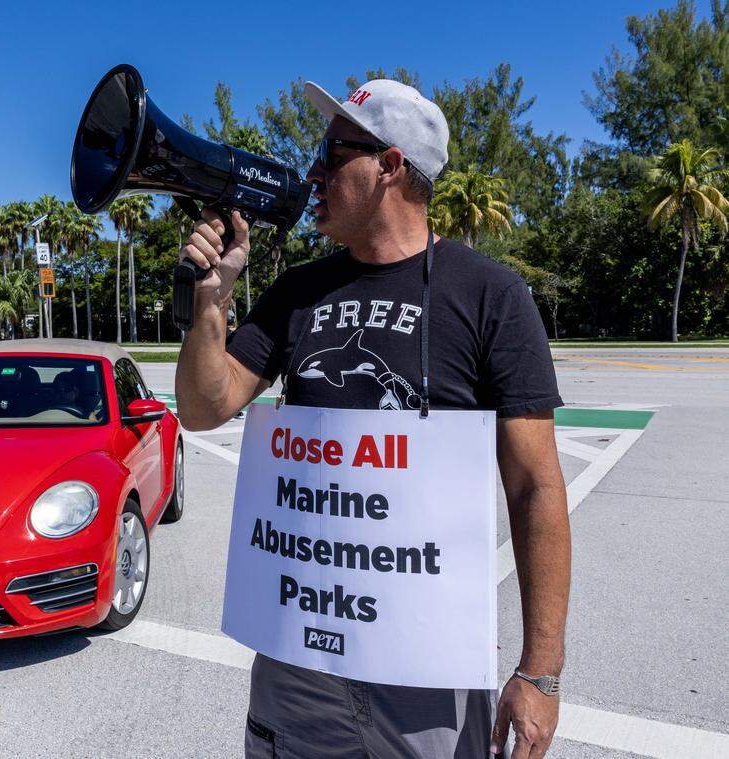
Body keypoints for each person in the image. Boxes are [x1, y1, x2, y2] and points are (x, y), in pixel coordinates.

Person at [175, 79, 569, 758]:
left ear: (390, 166)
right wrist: (212, 300)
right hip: (299, 660)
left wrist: (541, 672)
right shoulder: (298, 291)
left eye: (332, 154)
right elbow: (204, 405)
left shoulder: (491, 295)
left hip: (428, 669)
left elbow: (536, 487)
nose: (312, 173)